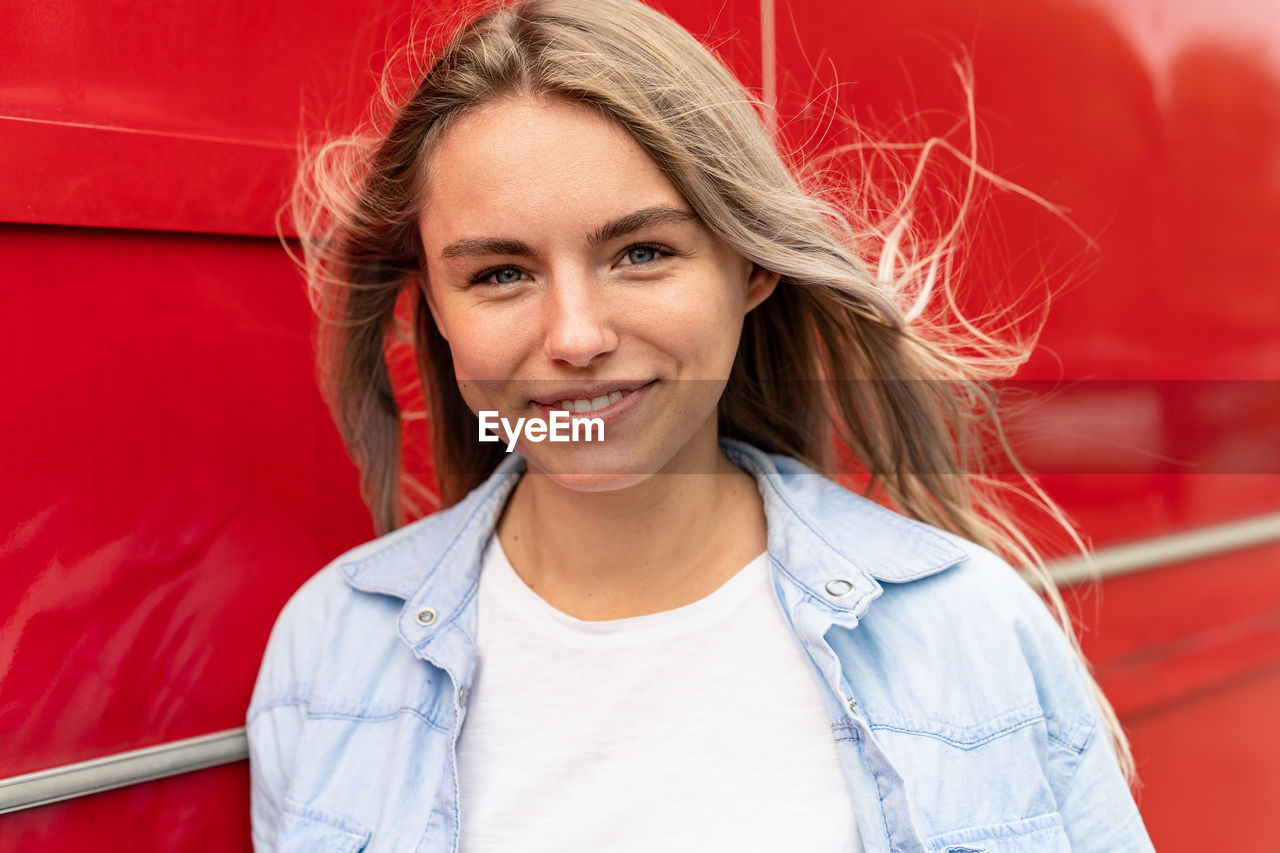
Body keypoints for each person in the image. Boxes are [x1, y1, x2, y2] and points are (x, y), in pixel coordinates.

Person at [247, 0, 1157, 850]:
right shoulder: (330, 652)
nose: (575, 336)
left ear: (750, 266)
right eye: (499, 273)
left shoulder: (970, 627)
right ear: (434, 310)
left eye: (642, 252)